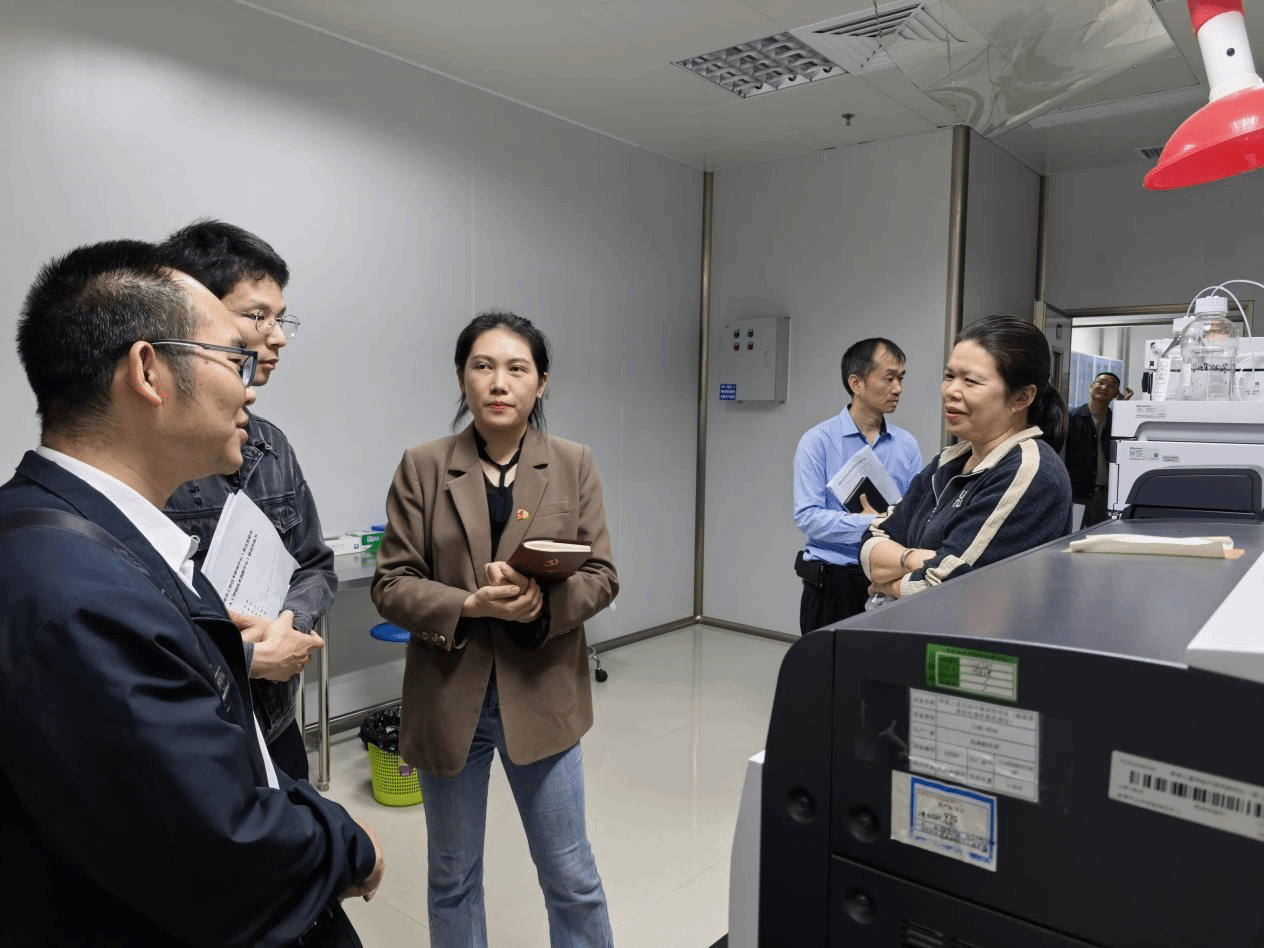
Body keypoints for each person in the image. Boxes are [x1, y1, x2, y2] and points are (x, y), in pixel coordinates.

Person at [0, 240, 382, 945]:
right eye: (234, 357)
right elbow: (221, 857)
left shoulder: (72, 534)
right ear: (149, 371)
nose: (251, 386)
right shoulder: (81, 598)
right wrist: (352, 848)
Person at [372, 311, 617, 947]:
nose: (499, 382)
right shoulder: (423, 466)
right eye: (483, 366)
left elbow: (601, 574)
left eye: (517, 368)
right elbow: (391, 583)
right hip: (449, 696)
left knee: (571, 876)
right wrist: (468, 604)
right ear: (462, 377)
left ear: (542, 383)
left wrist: (542, 609)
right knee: (452, 878)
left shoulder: (573, 463)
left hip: (543, 695)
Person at [161, 219, 330, 780]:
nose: (277, 337)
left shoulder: (271, 444)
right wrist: (248, 657)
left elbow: (314, 564)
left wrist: (288, 625)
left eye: (281, 319)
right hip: (194, 730)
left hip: (275, 720)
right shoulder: (151, 456)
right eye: (258, 317)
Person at [861, 315, 1073, 600]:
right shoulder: (949, 462)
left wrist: (890, 585)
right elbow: (872, 538)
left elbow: (947, 586)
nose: (951, 391)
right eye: (949, 376)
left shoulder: (1029, 471)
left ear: (1022, 397)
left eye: (971, 381)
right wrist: (912, 559)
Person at [792, 338, 923, 633]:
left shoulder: (906, 445)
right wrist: (871, 523)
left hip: (888, 580)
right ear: (856, 383)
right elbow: (807, 516)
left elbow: (916, 513)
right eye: (889, 378)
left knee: (886, 662)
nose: (898, 388)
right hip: (832, 584)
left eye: (901, 378)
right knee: (827, 663)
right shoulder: (817, 442)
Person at [1065, 370, 1132, 528]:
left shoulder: (1118, 421)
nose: (1104, 387)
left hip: (1106, 495)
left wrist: (1123, 409)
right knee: (1073, 535)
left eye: (1111, 386)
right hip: (1078, 494)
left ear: (1116, 394)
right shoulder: (1072, 417)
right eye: (1100, 383)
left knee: (1100, 536)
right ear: (1091, 387)